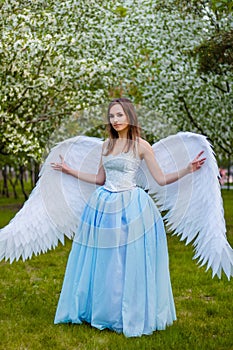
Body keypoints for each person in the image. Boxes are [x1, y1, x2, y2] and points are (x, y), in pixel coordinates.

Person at [51, 98, 206, 337]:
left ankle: (127, 311)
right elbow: (100, 179)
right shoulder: (106, 145)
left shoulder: (141, 146)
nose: (115, 120)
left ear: (130, 117)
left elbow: (161, 179)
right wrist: (69, 170)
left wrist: (188, 169)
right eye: (112, 116)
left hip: (130, 205)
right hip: (103, 205)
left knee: (126, 260)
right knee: (104, 259)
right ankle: (104, 309)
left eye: (120, 115)